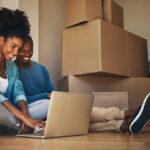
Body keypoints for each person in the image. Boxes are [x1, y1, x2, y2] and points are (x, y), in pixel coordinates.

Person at [0, 7, 45, 134]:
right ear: (1, 40)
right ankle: (21, 124)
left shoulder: (12, 66)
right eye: (13, 46)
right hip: (2, 110)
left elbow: (18, 92)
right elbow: (1, 98)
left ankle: (19, 125)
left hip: (10, 112)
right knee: (7, 114)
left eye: (18, 49)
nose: (16, 53)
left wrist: (26, 114)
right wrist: (25, 118)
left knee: (47, 104)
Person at [15, 35, 54, 120]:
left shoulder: (41, 68)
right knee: (48, 105)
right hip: (25, 108)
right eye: (23, 51)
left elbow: (52, 93)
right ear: (16, 51)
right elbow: (18, 101)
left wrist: (51, 96)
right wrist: (45, 95)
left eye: (30, 50)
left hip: (45, 105)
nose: (27, 54)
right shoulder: (12, 70)